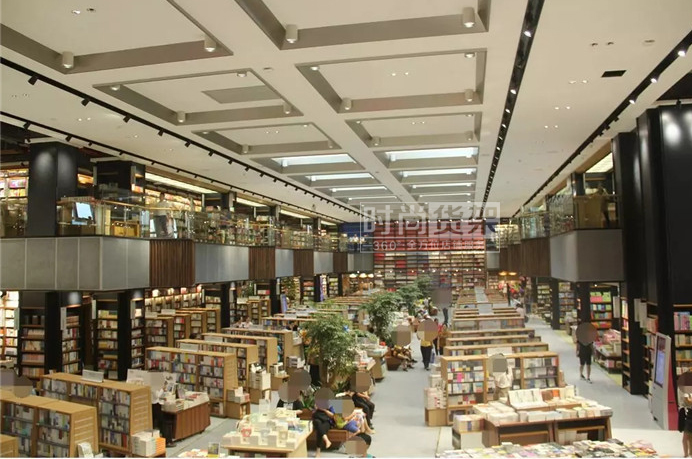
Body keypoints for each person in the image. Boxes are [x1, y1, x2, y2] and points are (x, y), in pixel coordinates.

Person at [678, 393, 692, 457]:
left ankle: (688, 454)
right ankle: (687, 454)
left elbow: (687, 402)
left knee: (686, 438)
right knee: (687, 438)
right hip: (688, 418)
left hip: (689, 419)